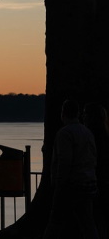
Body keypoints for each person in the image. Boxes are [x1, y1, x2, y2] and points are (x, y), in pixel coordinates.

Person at [44, 100, 99, 239]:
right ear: (78, 114)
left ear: (63, 113)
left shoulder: (65, 133)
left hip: (70, 186)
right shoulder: (87, 132)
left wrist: (59, 184)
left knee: (55, 222)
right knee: (88, 223)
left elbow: (64, 162)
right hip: (88, 183)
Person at [84, 102, 109, 239]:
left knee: (96, 217)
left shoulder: (93, 136)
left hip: (96, 181)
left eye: (86, 114)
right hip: (102, 181)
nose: (83, 117)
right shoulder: (104, 134)